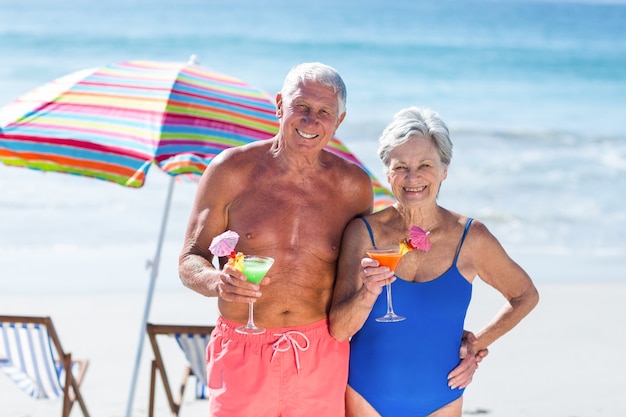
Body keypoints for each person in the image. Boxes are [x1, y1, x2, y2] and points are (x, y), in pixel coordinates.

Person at [179, 63, 480, 417]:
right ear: (279, 105)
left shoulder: (353, 186)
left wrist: (448, 337)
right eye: (301, 107)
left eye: (324, 112)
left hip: (321, 354)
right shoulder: (230, 170)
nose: (311, 121)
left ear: (339, 121)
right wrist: (217, 281)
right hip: (244, 350)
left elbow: (370, 277)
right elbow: (189, 259)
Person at [329, 106, 539, 417]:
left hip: (442, 400)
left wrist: (478, 345)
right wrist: (368, 292)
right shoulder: (364, 234)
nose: (412, 178)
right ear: (386, 171)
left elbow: (525, 296)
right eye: (400, 166)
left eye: (425, 164)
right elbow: (339, 329)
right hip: (365, 397)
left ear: (444, 169)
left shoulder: (471, 237)